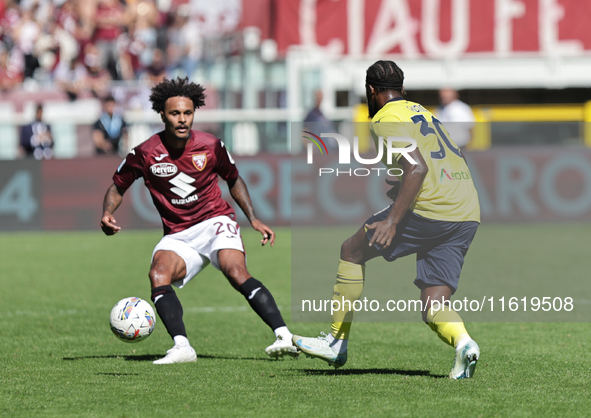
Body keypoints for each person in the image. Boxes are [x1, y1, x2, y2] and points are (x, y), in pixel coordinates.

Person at [293, 60, 481, 379]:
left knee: (351, 251)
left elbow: (417, 168)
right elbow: (440, 161)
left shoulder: (385, 118)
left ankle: (336, 343)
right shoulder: (422, 111)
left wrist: (393, 219)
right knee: (433, 302)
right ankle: (465, 345)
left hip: (432, 209)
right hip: (467, 211)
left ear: (370, 90)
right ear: (402, 88)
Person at [100, 77, 299, 364]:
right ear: (162, 114)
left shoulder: (211, 145)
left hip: (216, 222)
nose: (182, 120)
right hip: (179, 234)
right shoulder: (144, 153)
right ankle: (182, 347)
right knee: (158, 274)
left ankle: (284, 335)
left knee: (235, 271)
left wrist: (253, 219)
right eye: (175, 113)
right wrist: (108, 212)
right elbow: (117, 187)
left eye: (188, 113)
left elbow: (234, 179)